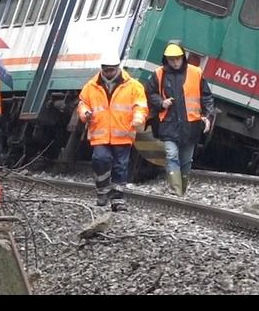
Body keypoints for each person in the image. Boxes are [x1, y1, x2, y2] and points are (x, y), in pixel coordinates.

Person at [77, 52, 148, 212]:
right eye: (106, 69)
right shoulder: (91, 86)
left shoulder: (133, 86)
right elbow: (83, 103)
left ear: (118, 68)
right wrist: (85, 113)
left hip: (123, 133)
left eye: (112, 69)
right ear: (102, 68)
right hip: (100, 133)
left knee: (120, 166)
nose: (109, 72)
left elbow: (141, 105)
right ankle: (102, 191)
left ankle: (118, 199)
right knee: (100, 159)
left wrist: (138, 118)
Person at [146, 42, 215, 196]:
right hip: (168, 124)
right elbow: (150, 93)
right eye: (172, 60)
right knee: (171, 155)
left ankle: (182, 190)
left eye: (178, 59)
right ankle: (175, 191)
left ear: (183, 58)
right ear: (166, 60)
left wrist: (208, 117)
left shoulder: (196, 72)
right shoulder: (159, 74)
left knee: (186, 161)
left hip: (191, 126)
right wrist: (161, 103)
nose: (175, 62)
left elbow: (206, 97)